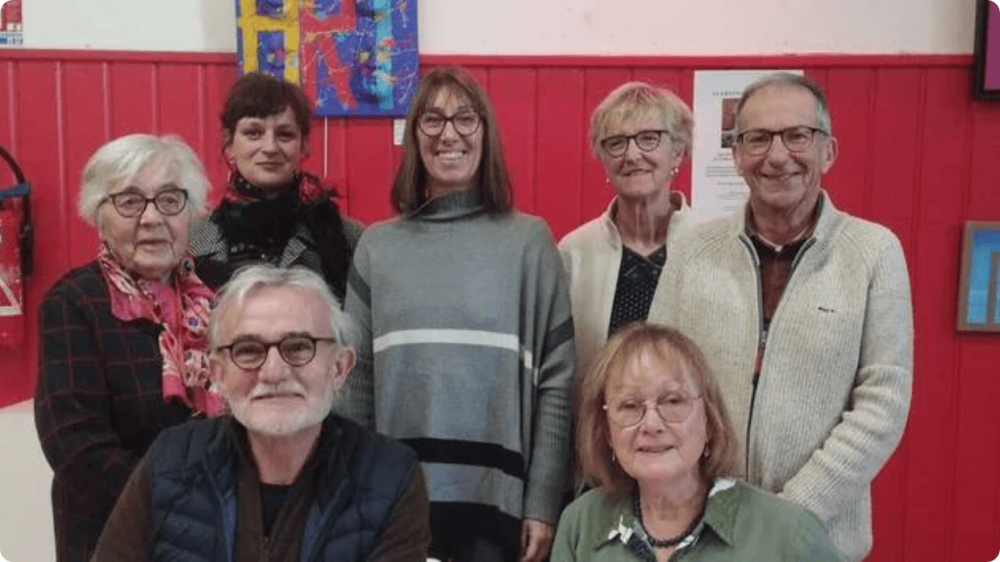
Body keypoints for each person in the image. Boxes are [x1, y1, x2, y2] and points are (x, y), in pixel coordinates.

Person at [649, 73, 913, 560]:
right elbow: (656, 381)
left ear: (828, 151)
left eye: (797, 136)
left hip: (817, 540)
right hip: (700, 535)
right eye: (758, 138)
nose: (777, 155)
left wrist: (788, 515)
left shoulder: (874, 253)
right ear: (736, 155)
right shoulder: (692, 251)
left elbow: (884, 403)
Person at [340, 66, 575, 562]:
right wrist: (355, 490)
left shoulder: (529, 244)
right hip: (394, 500)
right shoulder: (377, 248)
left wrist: (543, 502)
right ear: (414, 137)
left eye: (465, 118)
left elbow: (556, 383)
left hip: (497, 507)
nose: (449, 134)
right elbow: (354, 382)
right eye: (432, 119)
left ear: (486, 133)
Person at [92, 264, 431, 561]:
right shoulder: (169, 460)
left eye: (299, 346)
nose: (273, 372)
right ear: (218, 373)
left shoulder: (390, 475)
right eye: (248, 350)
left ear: (340, 367)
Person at [34, 134, 221, 562]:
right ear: (99, 216)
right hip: (117, 538)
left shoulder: (222, 295)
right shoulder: (75, 302)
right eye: (130, 201)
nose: (152, 218)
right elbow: (75, 445)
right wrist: (183, 507)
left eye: (170, 200)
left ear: (191, 212)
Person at [552, 323, 845, 561]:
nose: (651, 424)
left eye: (673, 401)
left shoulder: (788, 535)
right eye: (629, 406)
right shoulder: (580, 525)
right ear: (606, 429)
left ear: (709, 421)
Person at [558, 81, 698, 382]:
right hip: (598, 411)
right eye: (617, 143)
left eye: (649, 138)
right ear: (603, 159)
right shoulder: (574, 252)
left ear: (677, 152)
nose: (632, 155)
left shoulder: (712, 244)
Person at [191, 71, 363, 300]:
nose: (270, 147)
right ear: (229, 143)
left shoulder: (348, 238)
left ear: (304, 146)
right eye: (253, 133)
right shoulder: (194, 239)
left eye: (285, 135)